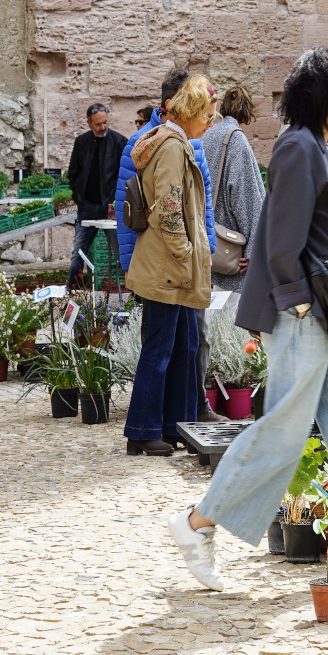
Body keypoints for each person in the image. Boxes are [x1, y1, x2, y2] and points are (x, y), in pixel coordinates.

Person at [168, 47, 328, 592]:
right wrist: (299, 302)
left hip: (327, 315)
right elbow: (278, 234)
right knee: (284, 432)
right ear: (324, 94)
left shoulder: (322, 149)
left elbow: (316, 227)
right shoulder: (298, 148)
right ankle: (196, 523)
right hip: (303, 314)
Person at [115, 70, 221, 422]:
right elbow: (170, 213)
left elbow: (191, 209)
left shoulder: (177, 143)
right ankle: (144, 430)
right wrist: (188, 256)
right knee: (160, 350)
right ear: (190, 111)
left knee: (184, 346)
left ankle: (180, 423)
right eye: (207, 114)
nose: (210, 122)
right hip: (169, 267)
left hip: (175, 266)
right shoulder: (173, 147)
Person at [201, 86, 266, 294]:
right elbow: (247, 199)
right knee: (232, 320)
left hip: (208, 240)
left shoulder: (208, 135)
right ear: (247, 112)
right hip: (231, 250)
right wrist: (255, 252)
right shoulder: (236, 139)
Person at [66, 103, 127, 289]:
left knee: (121, 254)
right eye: (98, 124)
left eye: (105, 122)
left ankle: (135, 295)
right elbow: (73, 173)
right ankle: (73, 292)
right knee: (78, 253)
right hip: (87, 208)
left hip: (111, 208)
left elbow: (126, 175)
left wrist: (117, 200)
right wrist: (79, 198)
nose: (103, 127)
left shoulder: (119, 141)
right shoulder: (81, 142)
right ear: (89, 123)